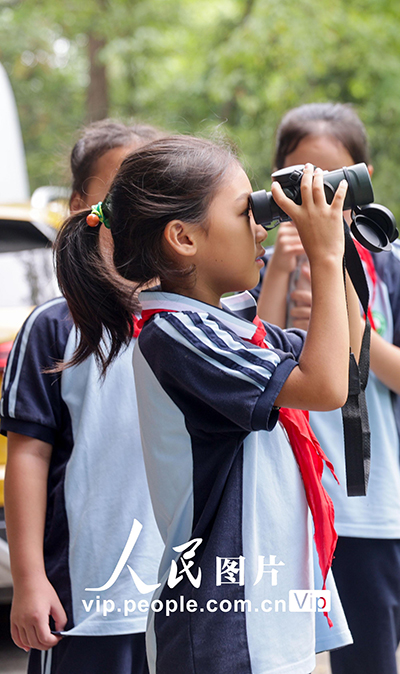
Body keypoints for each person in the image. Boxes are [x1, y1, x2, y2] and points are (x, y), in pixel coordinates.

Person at [51, 135, 360, 674]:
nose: (262, 226)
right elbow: (325, 386)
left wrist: (339, 245)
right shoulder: (175, 335)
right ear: (183, 238)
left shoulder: (228, 330)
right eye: (248, 211)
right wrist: (323, 254)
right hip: (224, 634)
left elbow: (346, 360)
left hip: (262, 619)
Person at [258, 103, 400, 674]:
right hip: (281, 505)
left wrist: (348, 319)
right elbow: (248, 361)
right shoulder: (258, 260)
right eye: (300, 183)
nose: (315, 198)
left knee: (368, 664)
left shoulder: (391, 260)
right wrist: (276, 277)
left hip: (371, 510)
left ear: (360, 183)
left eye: (331, 182)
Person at [1, 120, 163, 674]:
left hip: (185, 603)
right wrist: (29, 578)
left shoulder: (200, 322)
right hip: (82, 601)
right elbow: (29, 453)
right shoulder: (52, 326)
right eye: (123, 194)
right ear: (80, 207)